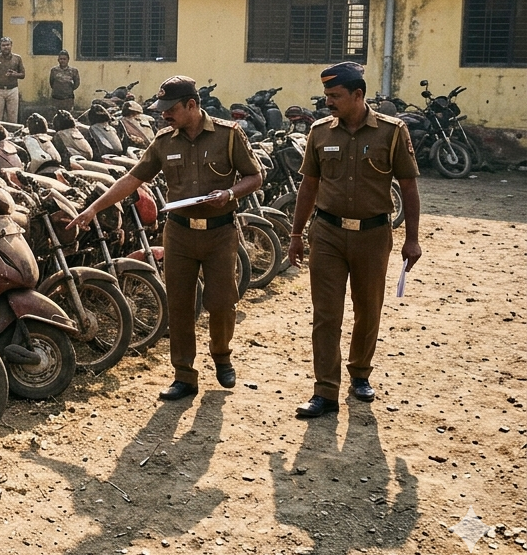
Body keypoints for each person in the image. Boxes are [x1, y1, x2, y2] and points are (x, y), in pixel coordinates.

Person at [69, 76, 263, 401]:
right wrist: (94, 208)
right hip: (180, 234)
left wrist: (230, 192)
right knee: (180, 305)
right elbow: (133, 178)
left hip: (220, 233)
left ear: (191, 105)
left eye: (170, 109)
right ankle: (184, 375)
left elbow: (255, 177)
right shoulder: (163, 142)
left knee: (221, 302)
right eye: (161, 110)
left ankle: (221, 354)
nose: (164, 115)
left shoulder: (229, 137)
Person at [287, 62, 422, 419]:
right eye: (327, 95)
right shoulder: (319, 133)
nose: (327, 102)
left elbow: (408, 186)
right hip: (328, 233)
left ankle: (360, 373)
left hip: (373, 235)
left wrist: (412, 238)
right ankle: (325, 391)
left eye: (335, 96)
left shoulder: (392, 132)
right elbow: (309, 186)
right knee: (326, 314)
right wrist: (297, 233)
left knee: (368, 309)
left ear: (358, 95)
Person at [0, 37, 24, 123]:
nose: (6, 47)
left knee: (12, 117)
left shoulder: (17, 58)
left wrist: (14, 74)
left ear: (11, 45)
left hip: (12, 90)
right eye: (3, 45)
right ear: (0, 47)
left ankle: (13, 135)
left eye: (8, 45)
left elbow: (23, 75)